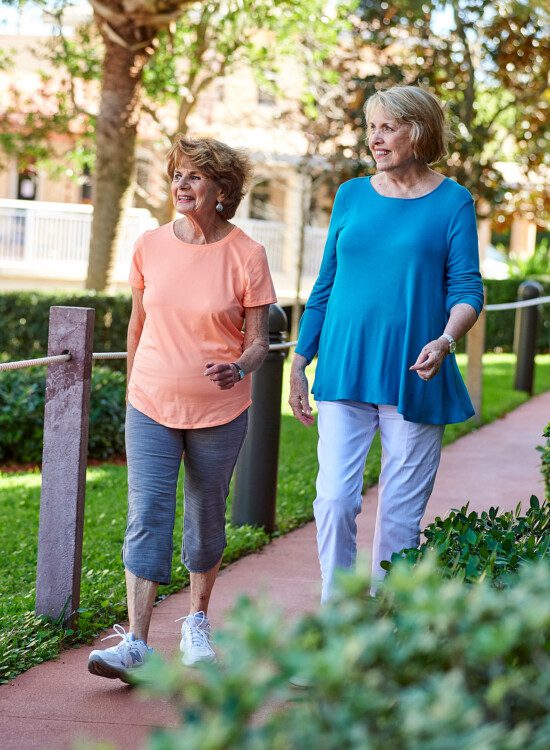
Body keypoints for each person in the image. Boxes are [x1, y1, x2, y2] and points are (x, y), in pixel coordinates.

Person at [88, 136, 276, 682]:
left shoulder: (247, 254)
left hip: (220, 409)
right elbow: (137, 324)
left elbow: (259, 340)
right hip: (149, 403)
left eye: (195, 176)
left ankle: (196, 621)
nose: (182, 185)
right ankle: (138, 643)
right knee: (146, 513)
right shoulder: (149, 245)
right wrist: (131, 386)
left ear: (221, 189)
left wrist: (239, 368)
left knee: (204, 516)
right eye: (177, 175)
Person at [289, 85, 484, 604]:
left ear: (418, 132)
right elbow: (326, 284)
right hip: (345, 367)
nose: (376, 138)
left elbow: (467, 289)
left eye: (388, 127)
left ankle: (380, 636)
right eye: (372, 127)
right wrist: (299, 360)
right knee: (333, 500)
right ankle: (339, 621)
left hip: (415, 374)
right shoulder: (351, 195)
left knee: (399, 514)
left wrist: (446, 340)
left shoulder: (452, 201)